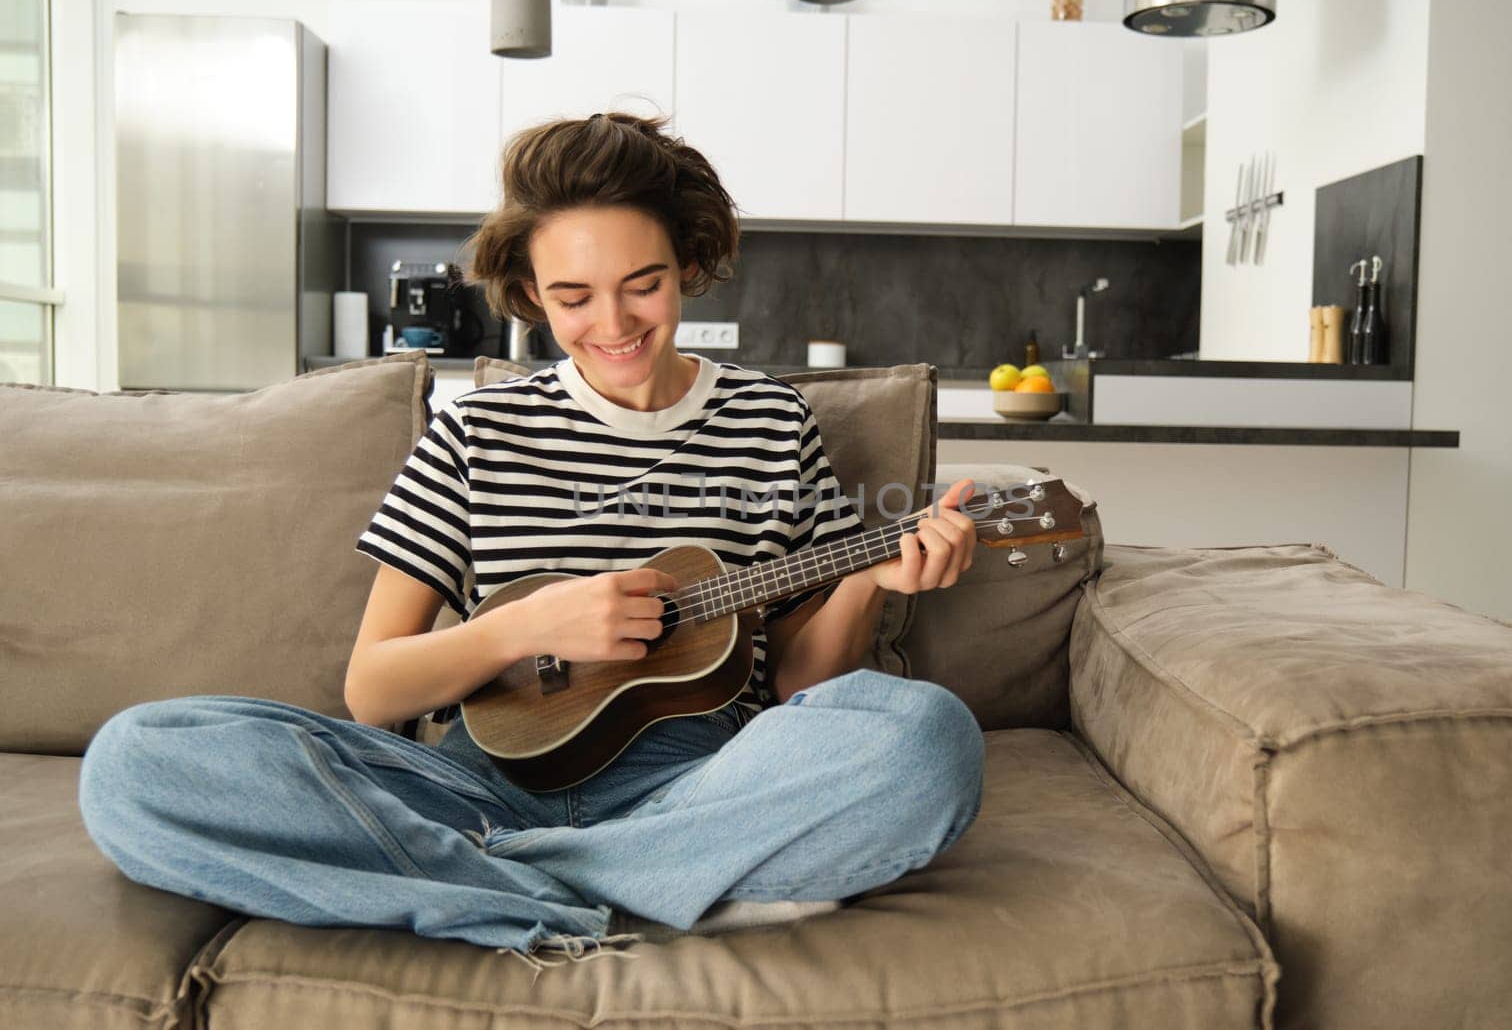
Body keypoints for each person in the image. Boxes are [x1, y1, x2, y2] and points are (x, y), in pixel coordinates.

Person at [77, 112, 985, 967]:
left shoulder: (772, 422)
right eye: (573, 297)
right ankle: (638, 885)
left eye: (645, 285)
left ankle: (508, 887)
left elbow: (798, 682)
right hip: (476, 788)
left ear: (689, 263)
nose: (615, 325)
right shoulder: (476, 430)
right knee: (134, 761)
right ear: (528, 295)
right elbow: (373, 687)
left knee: (927, 740)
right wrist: (521, 627)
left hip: (699, 783)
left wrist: (871, 580)